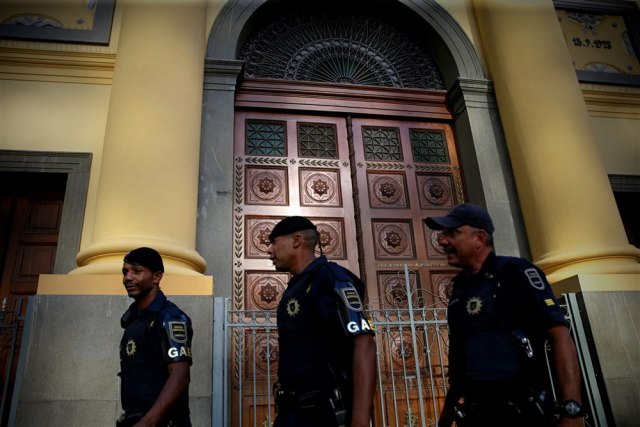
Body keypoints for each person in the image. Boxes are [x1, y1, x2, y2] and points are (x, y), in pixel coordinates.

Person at [425, 204, 585, 427]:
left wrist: (572, 410)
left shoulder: (515, 272)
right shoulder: (459, 289)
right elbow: (459, 365)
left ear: (479, 238)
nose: (443, 241)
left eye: (453, 233)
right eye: (443, 234)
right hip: (477, 414)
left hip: (524, 412)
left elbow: (559, 335)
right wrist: (445, 420)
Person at [267, 216, 377, 427]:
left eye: (274, 242)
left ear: (297, 241)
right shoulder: (297, 286)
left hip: (323, 414)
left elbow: (364, 341)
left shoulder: (329, 277)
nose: (269, 250)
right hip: (292, 413)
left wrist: (361, 420)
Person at [117, 247, 193, 427]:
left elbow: (180, 374)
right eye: (125, 272)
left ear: (157, 277)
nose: (128, 277)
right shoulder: (133, 319)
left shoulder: (170, 317)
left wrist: (147, 423)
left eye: (136, 271)